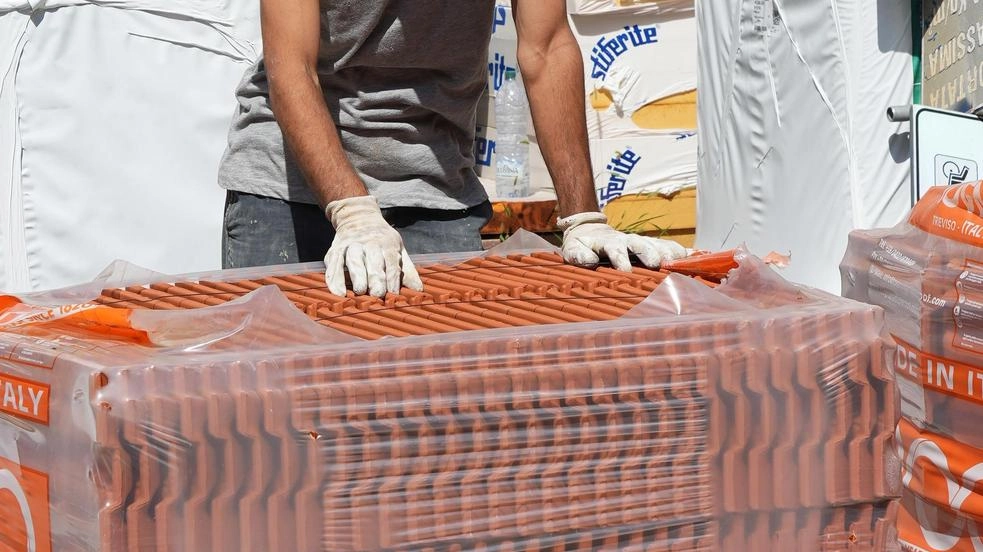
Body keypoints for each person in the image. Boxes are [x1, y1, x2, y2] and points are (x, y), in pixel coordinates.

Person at [218, 0, 686, 298]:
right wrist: (354, 213)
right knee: (280, 411)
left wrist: (583, 217)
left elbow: (546, 49)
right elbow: (290, 68)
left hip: (436, 186)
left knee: (436, 409)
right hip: (291, 188)